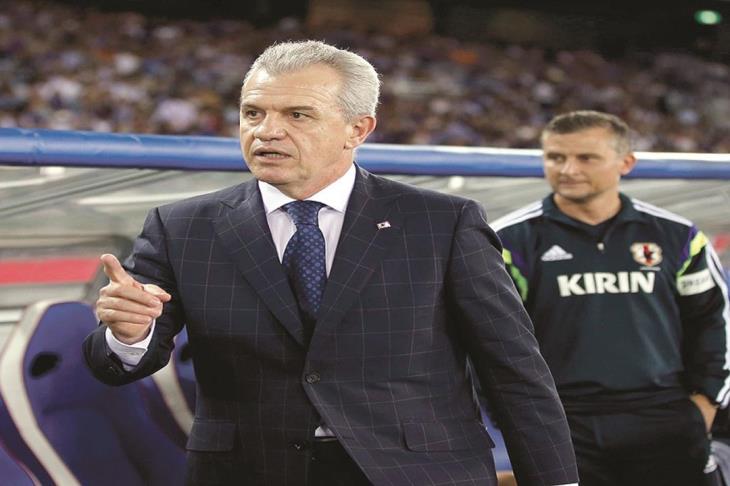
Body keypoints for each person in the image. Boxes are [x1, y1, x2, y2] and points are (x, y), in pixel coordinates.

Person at [83, 40, 578, 486]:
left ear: (357, 129)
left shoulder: (443, 222)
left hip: (419, 471)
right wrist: (129, 335)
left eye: (297, 115)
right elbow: (119, 362)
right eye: (253, 113)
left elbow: (512, 369)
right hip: (249, 470)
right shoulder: (181, 226)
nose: (266, 131)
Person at [493, 110, 730, 486]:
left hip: (664, 414)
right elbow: (490, 341)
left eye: (586, 158)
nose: (568, 169)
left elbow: (713, 321)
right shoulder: (507, 240)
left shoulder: (678, 236)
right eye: (555, 157)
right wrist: (520, 417)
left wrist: (706, 402)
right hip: (561, 419)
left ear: (626, 162)